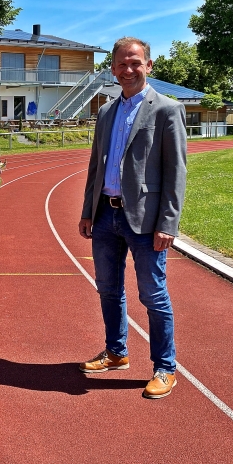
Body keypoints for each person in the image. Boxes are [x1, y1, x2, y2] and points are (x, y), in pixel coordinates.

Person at [78, 37, 187, 399]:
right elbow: (96, 165)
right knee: (108, 289)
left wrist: (167, 224)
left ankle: (165, 367)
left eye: (135, 63)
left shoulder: (167, 110)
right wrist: (86, 212)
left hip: (144, 220)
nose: (128, 69)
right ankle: (116, 352)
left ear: (149, 65)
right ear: (113, 68)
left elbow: (175, 172)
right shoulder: (107, 111)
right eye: (122, 64)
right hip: (105, 217)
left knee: (153, 295)